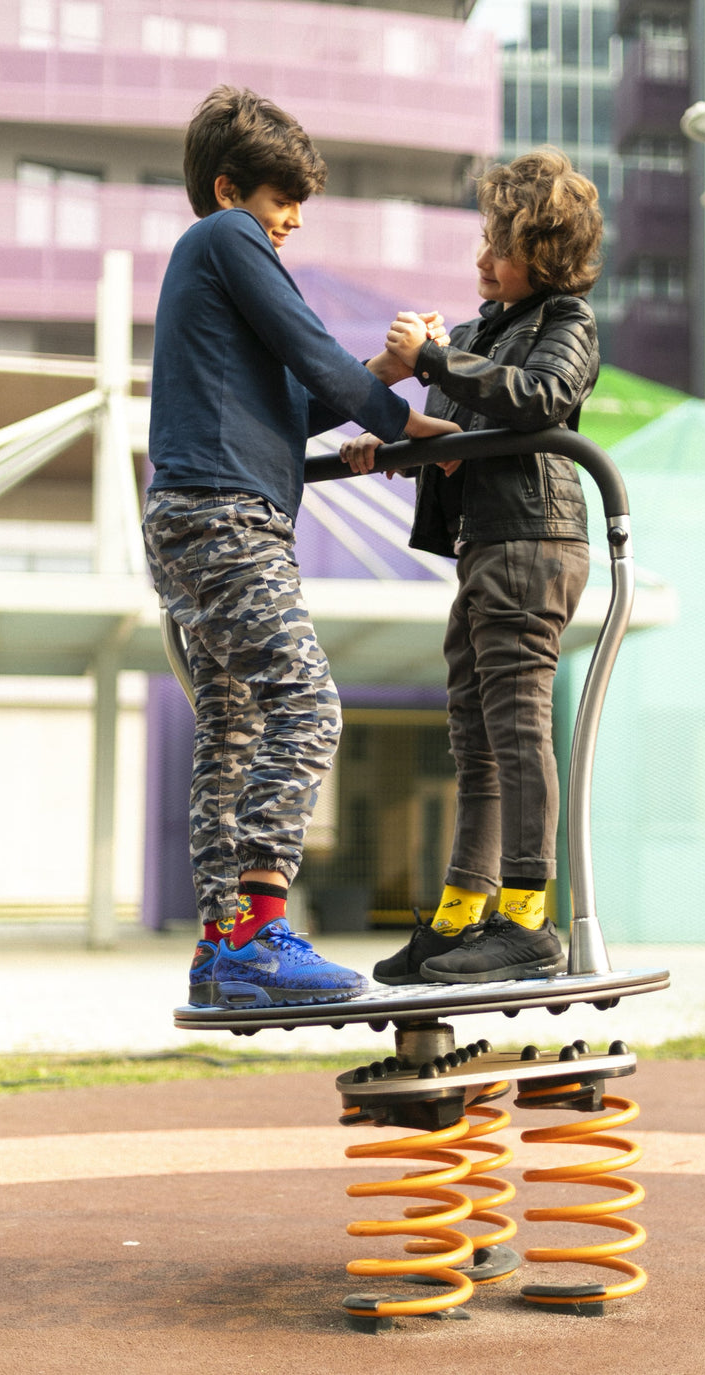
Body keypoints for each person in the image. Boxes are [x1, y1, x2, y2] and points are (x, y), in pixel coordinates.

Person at [143, 86, 457, 1009]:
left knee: (233, 730)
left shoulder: (211, 268)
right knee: (309, 706)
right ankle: (259, 930)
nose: (293, 220)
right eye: (283, 199)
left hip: (193, 515)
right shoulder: (225, 236)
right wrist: (407, 421)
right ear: (230, 187)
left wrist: (381, 379)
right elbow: (311, 349)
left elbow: (293, 406)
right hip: (225, 516)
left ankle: (220, 946)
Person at [341, 148, 603, 986]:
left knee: (517, 727)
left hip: (533, 540)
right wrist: (391, 438)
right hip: (485, 542)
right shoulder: (481, 330)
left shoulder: (566, 322)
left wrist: (431, 361)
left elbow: (539, 401)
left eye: (500, 245)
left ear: (544, 253)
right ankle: (463, 912)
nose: (482, 258)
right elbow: (460, 439)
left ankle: (527, 916)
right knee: (476, 734)